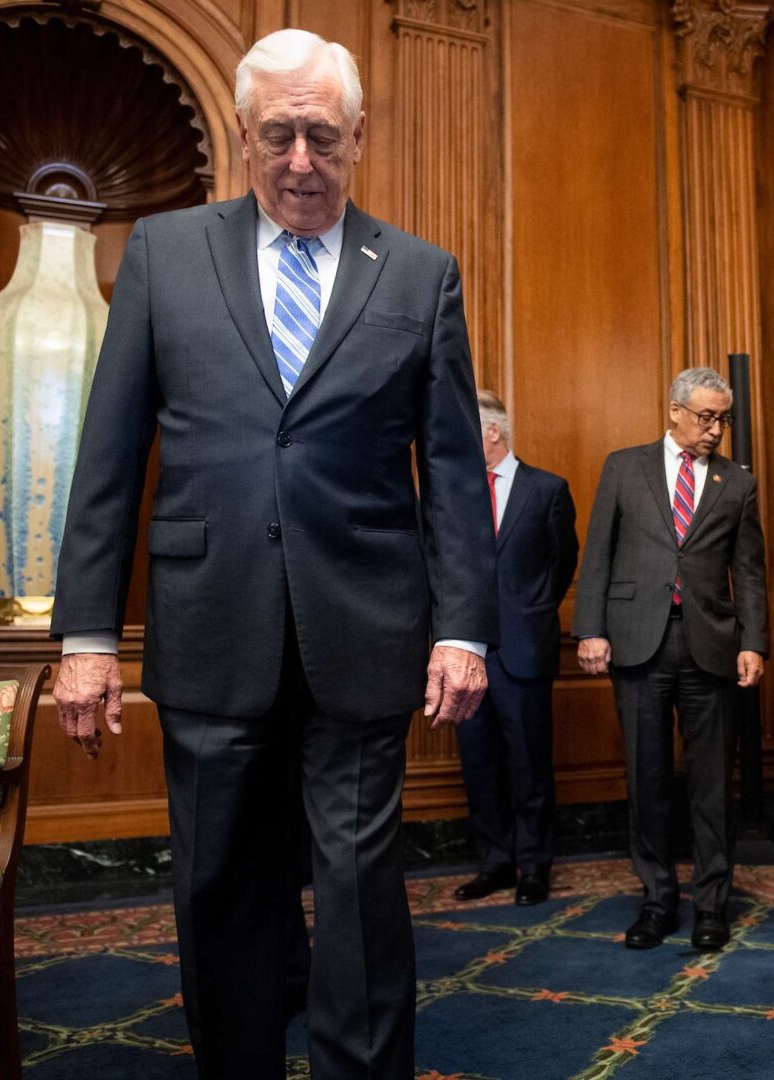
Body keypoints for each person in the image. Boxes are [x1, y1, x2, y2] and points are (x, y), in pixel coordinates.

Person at [48, 28, 497, 1080]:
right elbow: (108, 456)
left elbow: (453, 472)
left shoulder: (421, 274)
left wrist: (465, 627)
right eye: (281, 136)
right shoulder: (163, 253)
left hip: (368, 626)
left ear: (361, 137)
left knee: (358, 891)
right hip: (211, 621)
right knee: (221, 887)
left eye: (325, 138)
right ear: (242, 135)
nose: (303, 162)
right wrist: (85, 635)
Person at [574, 367, 768, 952]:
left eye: (723, 420)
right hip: (636, 641)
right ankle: (656, 901)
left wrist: (754, 641)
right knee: (647, 778)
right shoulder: (623, 466)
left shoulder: (738, 482)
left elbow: (751, 573)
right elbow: (599, 552)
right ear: (675, 411)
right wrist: (590, 630)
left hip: (711, 644)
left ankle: (712, 906)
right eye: (705, 417)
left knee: (711, 785)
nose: (715, 431)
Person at [450, 391, 579, 905]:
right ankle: (495, 863)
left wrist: (533, 611)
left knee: (529, 765)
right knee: (478, 765)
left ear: (492, 433)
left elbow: (562, 561)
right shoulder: (456, 491)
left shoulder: (546, 489)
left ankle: (533, 867)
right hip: (466, 653)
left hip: (524, 652)